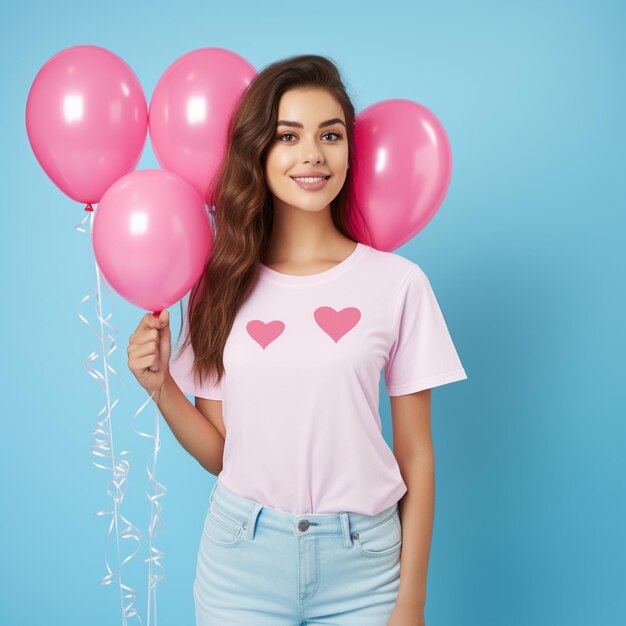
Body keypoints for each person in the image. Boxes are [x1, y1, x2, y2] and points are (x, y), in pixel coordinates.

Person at [128, 54, 467, 626]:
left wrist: (412, 600)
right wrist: (162, 390)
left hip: (365, 564)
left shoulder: (399, 283)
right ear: (259, 152)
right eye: (289, 136)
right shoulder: (219, 284)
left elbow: (416, 455)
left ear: (348, 152)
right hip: (241, 561)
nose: (312, 154)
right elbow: (221, 453)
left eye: (330, 135)